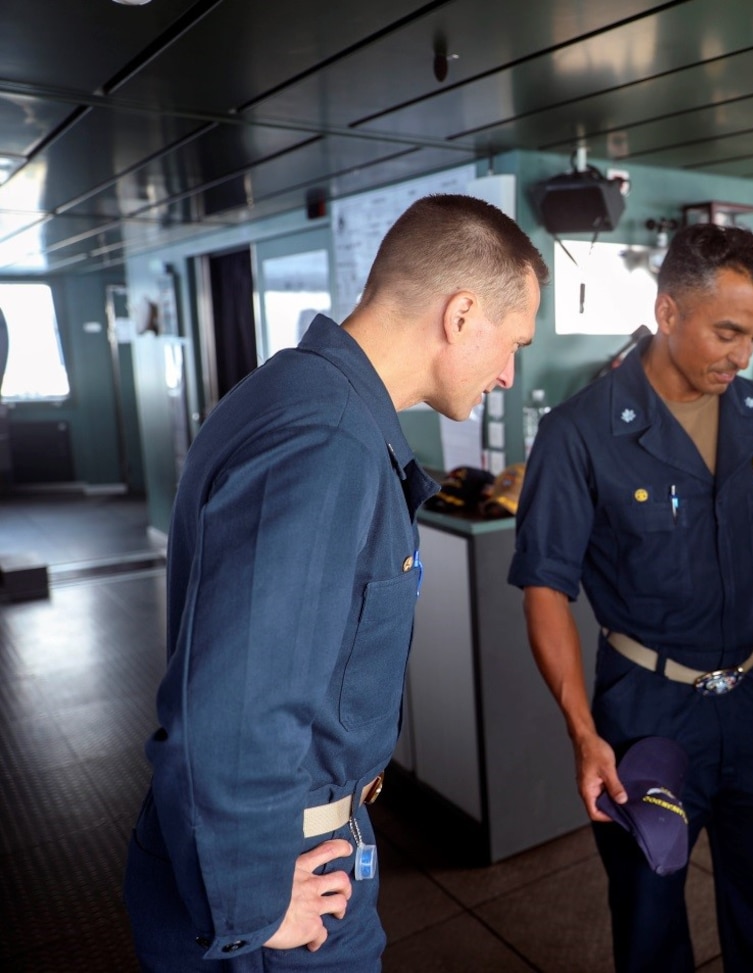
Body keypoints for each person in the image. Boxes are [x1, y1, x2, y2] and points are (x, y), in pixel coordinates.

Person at [124, 194, 547, 971]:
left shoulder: (308, 396)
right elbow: (240, 704)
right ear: (461, 315)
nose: (508, 371)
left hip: (297, 842)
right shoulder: (325, 440)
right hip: (282, 875)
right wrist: (251, 900)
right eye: (511, 341)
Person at [509, 223, 753, 973]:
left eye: (752, 335)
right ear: (667, 311)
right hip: (648, 710)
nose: (741, 354)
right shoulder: (579, 434)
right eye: (726, 331)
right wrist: (583, 732)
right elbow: (545, 588)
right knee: (650, 924)